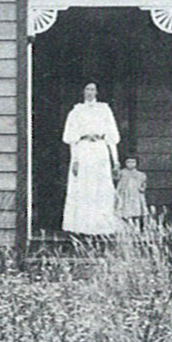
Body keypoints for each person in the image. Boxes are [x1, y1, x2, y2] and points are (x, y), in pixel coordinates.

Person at [61, 82, 121, 235]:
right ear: (83, 91)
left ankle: (101, 228)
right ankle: (81, 227)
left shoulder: (104, 110)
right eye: (87, 89)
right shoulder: (76, 111)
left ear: (97, 92)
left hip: (100, 150)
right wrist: (74, 160)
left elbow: (111, 138)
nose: (90, 92)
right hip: (83, 150)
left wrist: (115, 161)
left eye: (93, 89)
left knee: (101, 188)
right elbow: (72, 139)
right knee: (83, 187)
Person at [114, 156, 148, 228]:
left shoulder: (140, 174)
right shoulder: (122, 173)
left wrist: (142, 188)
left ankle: (137, 226)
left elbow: (143, 183)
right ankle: (130, 225)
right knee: (126, 210)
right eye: (128, 162)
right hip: (125, 194)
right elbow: (116, 178)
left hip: (136, 195)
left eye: (133, 162)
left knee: (137, 209)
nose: (131, 164)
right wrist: (116, 169)